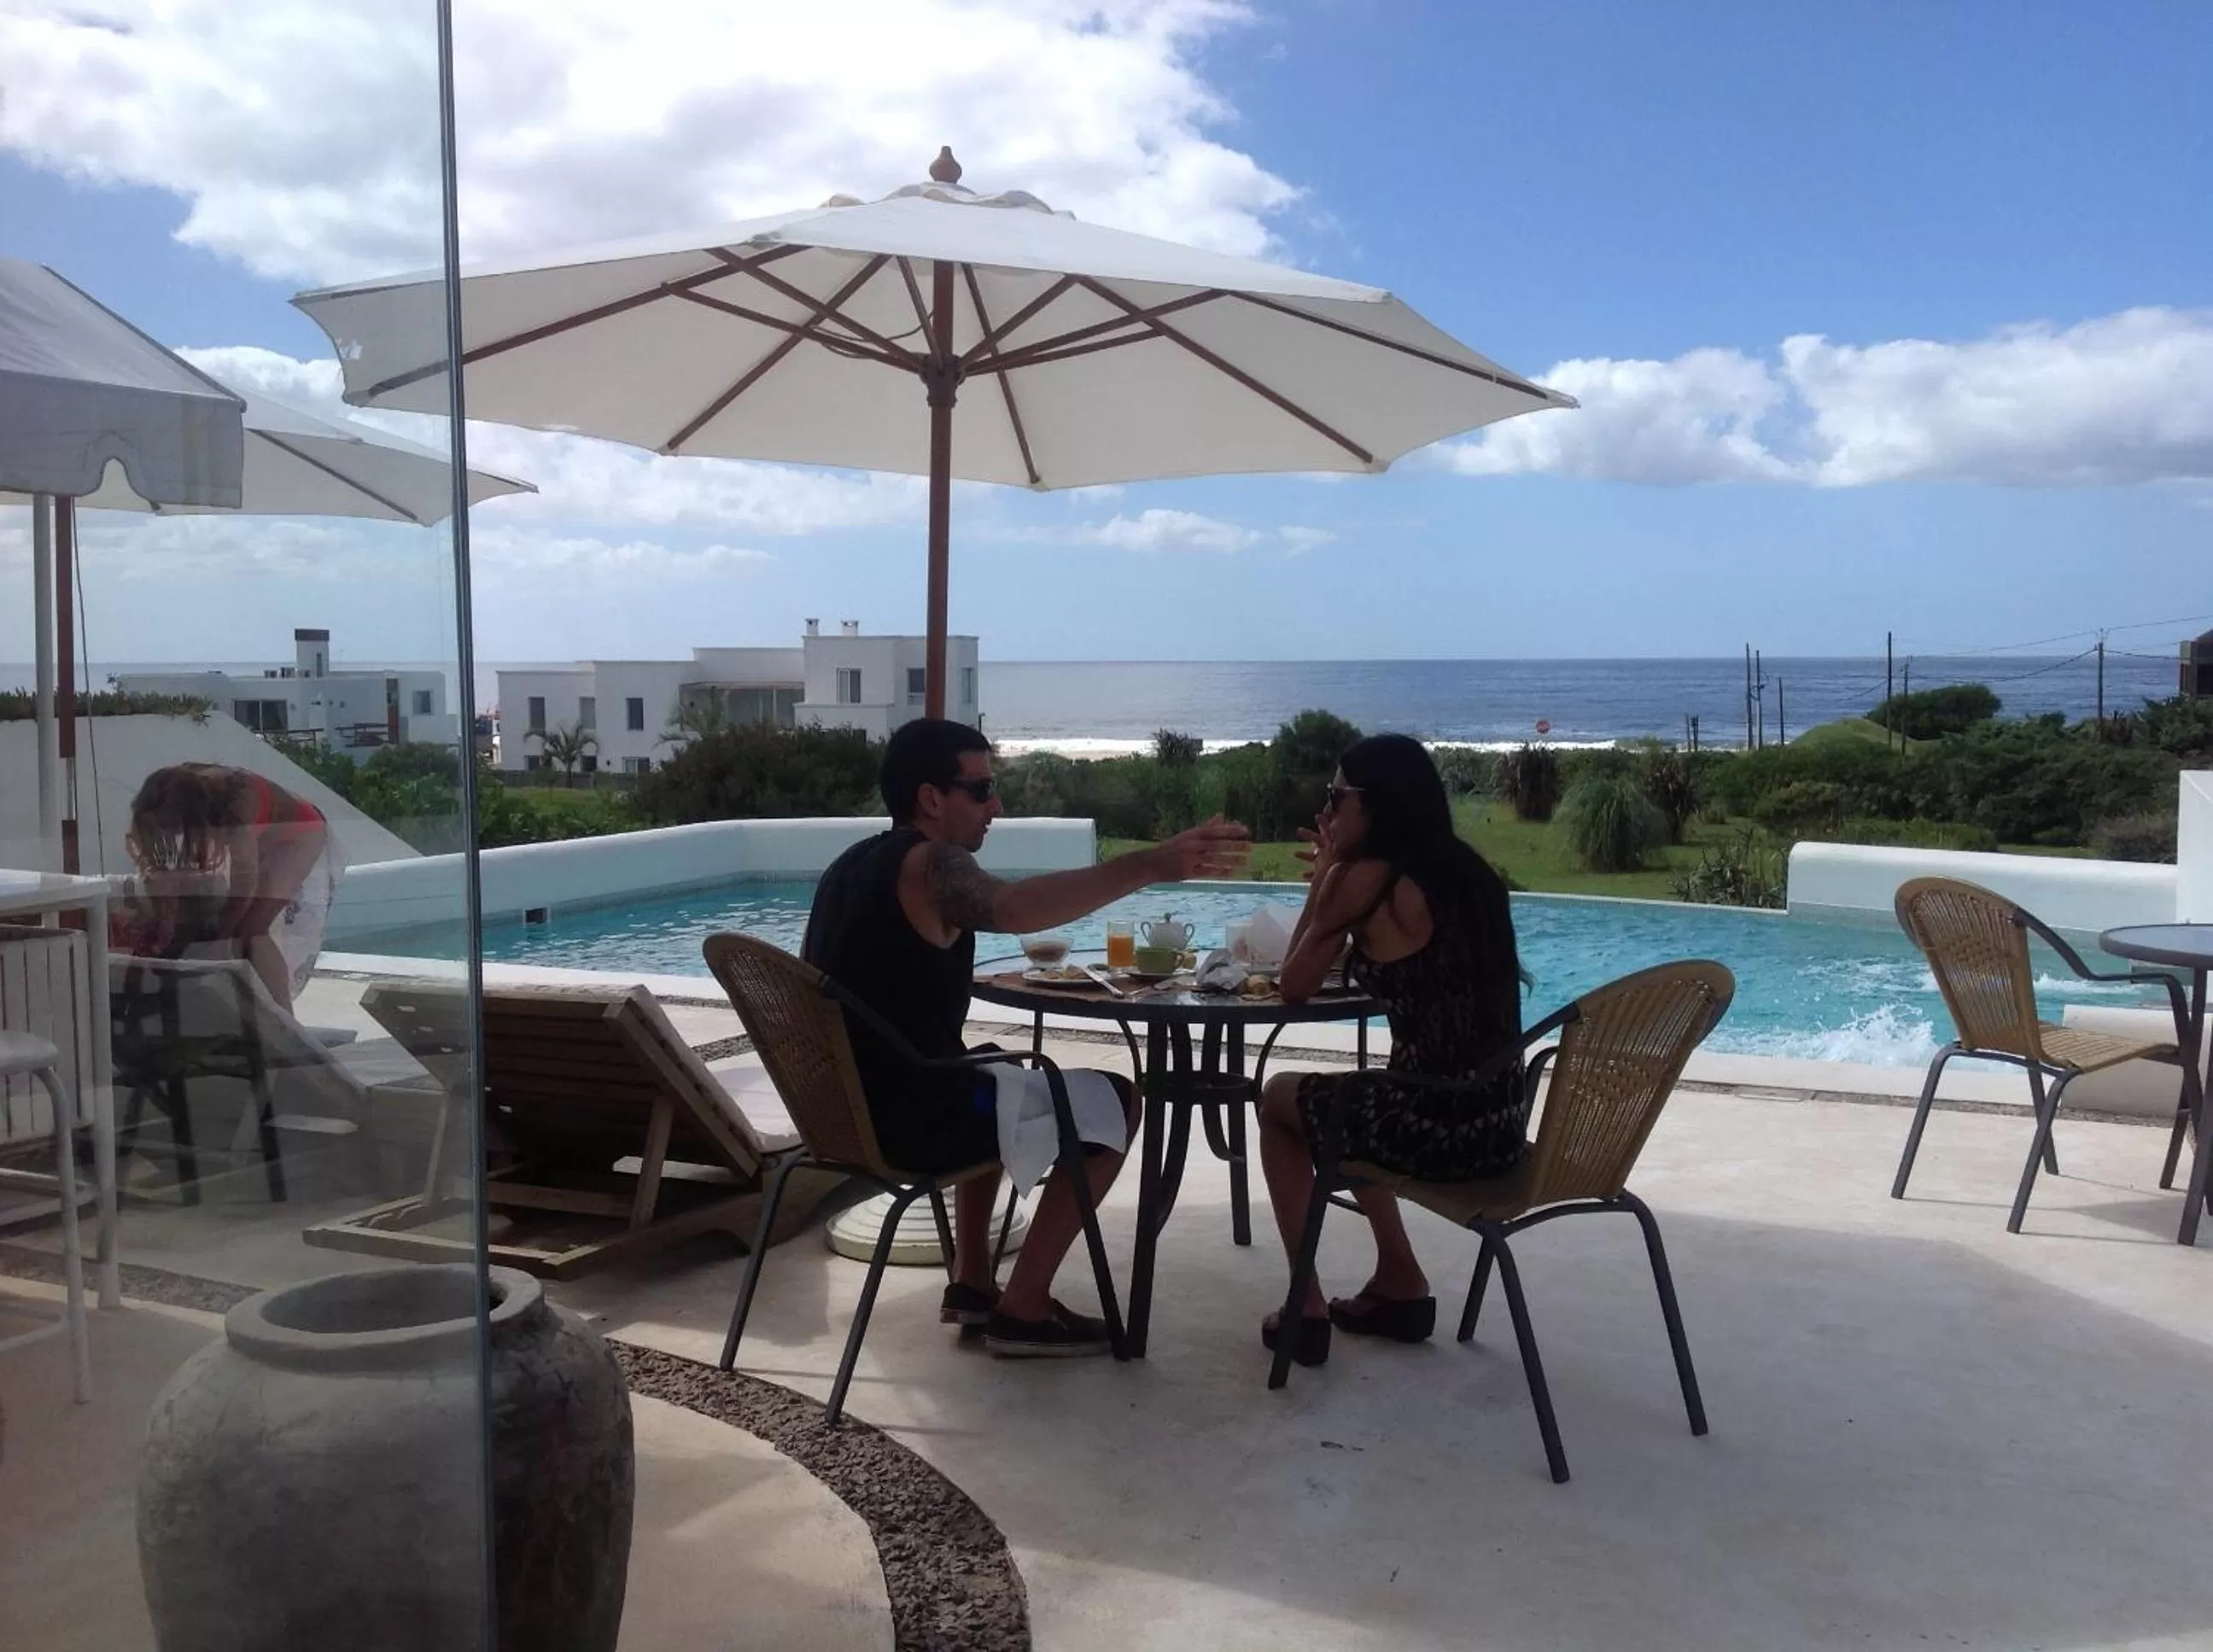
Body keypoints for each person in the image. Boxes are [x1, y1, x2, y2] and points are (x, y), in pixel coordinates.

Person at [803, 718, 1249, 1357]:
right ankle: (1025, 1306)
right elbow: (1012, 909)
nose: (997, 806)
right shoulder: (930, 864)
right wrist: (1150, 863)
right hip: (912, 1122)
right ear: (932, 798)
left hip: (847, 1113)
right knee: (1117, 1100)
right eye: (981, 789)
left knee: (984, 1064)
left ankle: (973, 1279)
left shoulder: (849, 868)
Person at [1255, 733, 1527, 1369]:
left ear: (1374, 805)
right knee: (1355, 1095)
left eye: (1336, 796)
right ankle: (1399, 1280)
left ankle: (1307, 1302)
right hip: (1500, 1123)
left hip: (1434, 1128)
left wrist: (1323, 881)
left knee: (1278, 1101)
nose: (1327, 812)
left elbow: (1292, 984)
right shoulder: (1470, 874)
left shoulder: (1367, 879)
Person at [119, 763, 338, 1011]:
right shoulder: (168, 792)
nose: (169, 831)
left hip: (300, 834)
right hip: (262, 830)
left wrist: (222, 938)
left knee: (253, 929)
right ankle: (241, 1006)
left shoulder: (236, 805)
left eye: (173, 825)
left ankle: (283, 1016)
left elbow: (244, 885)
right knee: (229, 928)